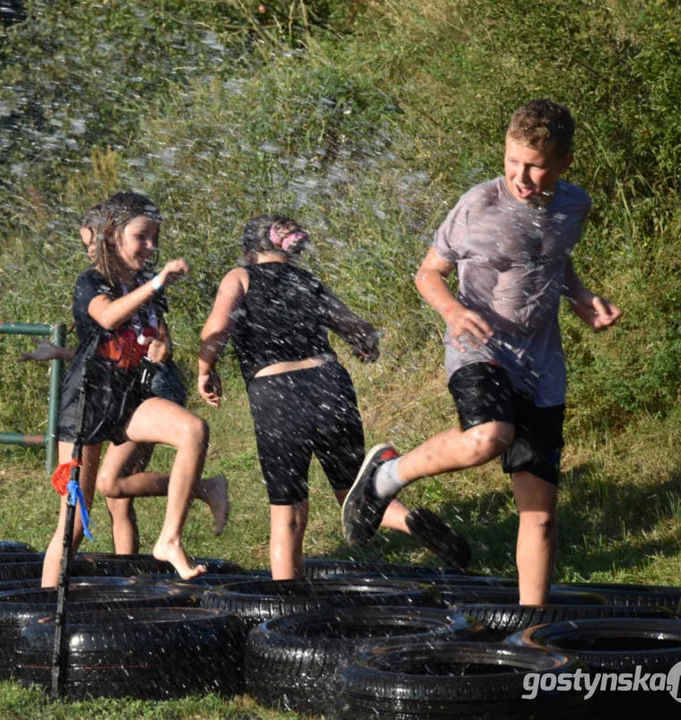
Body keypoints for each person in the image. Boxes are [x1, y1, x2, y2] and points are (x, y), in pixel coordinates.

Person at [342, 99, 622, 604]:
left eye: (535, 166)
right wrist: (453, 313)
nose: (520, 175)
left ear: (564, 164)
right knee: (487, 437)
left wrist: (581, 297)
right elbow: (427, 274)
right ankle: (388, 473)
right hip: (478, 349)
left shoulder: (574, 205)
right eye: (513, 161)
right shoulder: (480, 204)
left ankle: (530, 628)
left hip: (542, 368)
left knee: (538, 518)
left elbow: (554, 261)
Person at [198, 214, 470, 580]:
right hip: (329, 385)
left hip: (278, 395)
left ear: (249, 253)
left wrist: (205, 369)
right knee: (354, 491)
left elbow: (217, 327)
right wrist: (365, 346)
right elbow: (356, 329)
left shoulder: (240, 276)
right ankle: (409, 521)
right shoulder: (307, 280)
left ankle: (288, 602)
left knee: (288, 511)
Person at [42, 192, 227, 585]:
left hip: (128, 400)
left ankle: (170, 540)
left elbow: (155, 336)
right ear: (112, 236)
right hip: (87, 405)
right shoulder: (91, 282)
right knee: (72, 526)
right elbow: (108, 317)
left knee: (193, 429)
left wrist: (165, 346)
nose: (152, 246)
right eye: (143, 236)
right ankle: (44, 605)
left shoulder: (145, 284)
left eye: (155, 237)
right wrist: (158, 283)